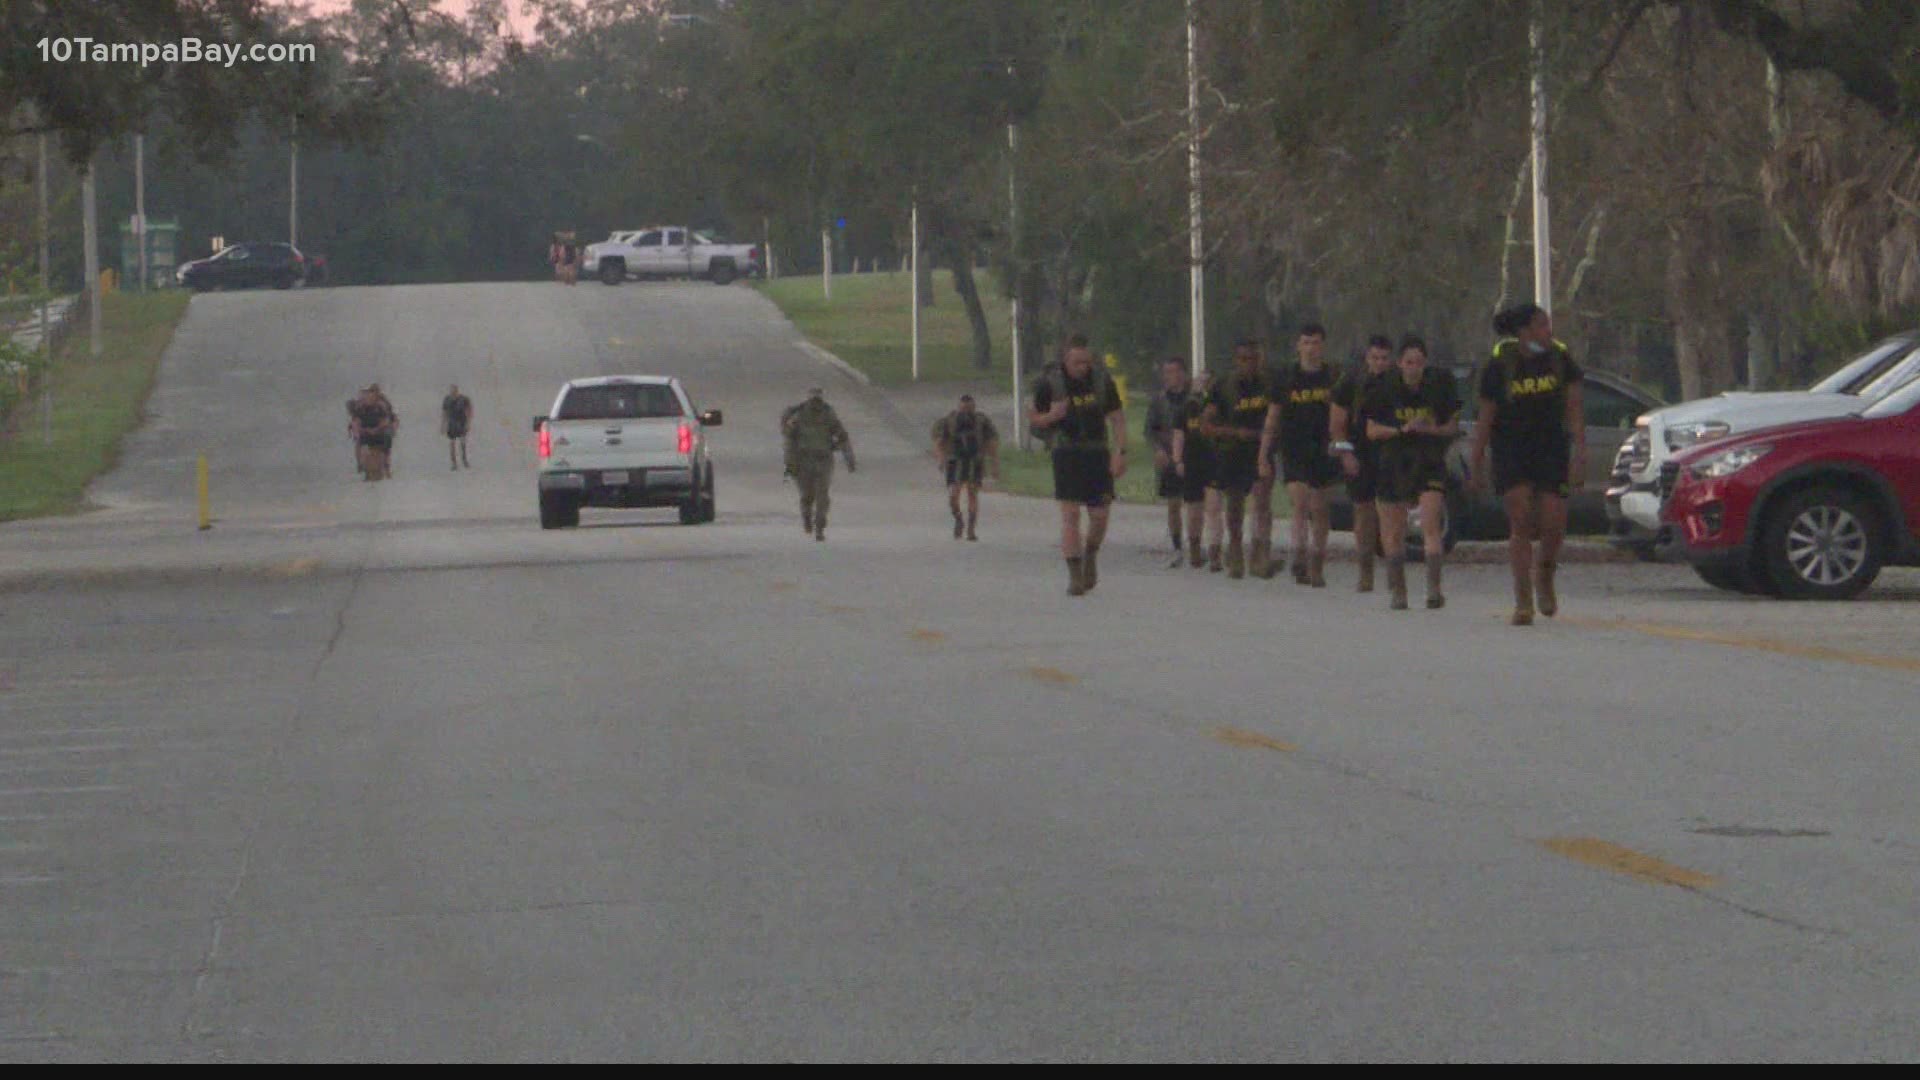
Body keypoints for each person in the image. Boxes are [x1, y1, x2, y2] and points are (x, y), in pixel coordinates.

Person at [1470, 302, 1587, 626]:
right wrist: (1477, 461)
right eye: (1540, 325)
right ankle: (1523, 599)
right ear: (1523, 332)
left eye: (1548, 324)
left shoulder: (1560, 360)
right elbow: (1485, 417)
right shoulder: (1499, 366)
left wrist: (1580, 451)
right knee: (1521, 519)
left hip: (1551, 448)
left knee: (1553, 523)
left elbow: (1575, 407)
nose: (1547, 331)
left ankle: (1545, 573)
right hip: (1512, 450)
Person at [1362, 336, 1461, 610]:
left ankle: (1433, 589)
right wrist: (1401, 430)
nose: (1413, 368)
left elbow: (1452, 426)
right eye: (1408, 362)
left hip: (1428, 460)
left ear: (1425, 363)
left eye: (1418, 363)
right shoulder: (1383, 389)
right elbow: (1371, 431)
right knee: (1393, 532)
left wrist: (1429, 429)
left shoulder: (1439, 386)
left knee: (1431, 524)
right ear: (1399, 363)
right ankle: (1399, 590)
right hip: (1394, 460)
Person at [1029, 334, 1126, 596]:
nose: (1083, 367)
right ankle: (1075, 575)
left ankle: (1091, 553)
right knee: (1070, 515)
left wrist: (1120, 452)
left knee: (1099, 516)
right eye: (1077, 363)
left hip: (1097, 452)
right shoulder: (1050, 383)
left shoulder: (1101, 381)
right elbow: (1034, 418)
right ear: (1065, 360)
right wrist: (1052, 415)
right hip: (1066, 452)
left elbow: (1117, 418)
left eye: (1087, 361)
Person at [1261, 323, 1339, 587]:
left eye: (1316, 343)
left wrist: (1343, 446)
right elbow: (1272, 417)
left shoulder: (1333, 377)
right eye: (1306, 343)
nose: (1311, 348)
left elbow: (1343, 417)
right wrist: (1264, 454)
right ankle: (1299, 556)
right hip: (1293, 447)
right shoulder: (1286, 378)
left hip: (1325, 449)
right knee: (1300, 503)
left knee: (1320, 508)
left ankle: (1317, 561)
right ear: (1298, 346)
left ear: (1323, 346)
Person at [1199, 339, 1275, 579]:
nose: (1249, 364)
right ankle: (1235, 549)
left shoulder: (1268, 384)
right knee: (1235, 504)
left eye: (1253, 359)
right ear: (1236, 360)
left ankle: (1260, 553)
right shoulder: (1223, 385)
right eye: (1243, 359)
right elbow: (1206, 425)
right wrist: (1235, 433)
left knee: (1262, 500)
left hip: (1262, 449)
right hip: (1232, 450)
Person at [1329, 335, 1396, 592]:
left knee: (1391, 513)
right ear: (1367, 358)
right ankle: (1365, 571)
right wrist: (1346, 454)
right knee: (1364, 512)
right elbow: (1337, 424)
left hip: (1389, 453)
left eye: (1384, 358)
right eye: (1375, 358)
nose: (1379, 363)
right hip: (1360, 453)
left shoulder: (1395, 383)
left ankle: (1393, 571)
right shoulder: (1351, 383)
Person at [782, 387, 856, 541]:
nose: (816, 405)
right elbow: (789, 440)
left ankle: (819, 526)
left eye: (818, 401)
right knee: (807, 495)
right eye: (813, 400)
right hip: (803, 461)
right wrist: (790, 463)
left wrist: (849, 459)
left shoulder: (828, 415)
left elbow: (842, 436)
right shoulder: (798, 417)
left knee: (822, 496)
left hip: (824, 460)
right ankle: (807, 518)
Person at [1145, 357, 1198, 566]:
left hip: (1192, 454)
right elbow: (1150, 430)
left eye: (1174, 372)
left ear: (1183, 374)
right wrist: (1158, 449)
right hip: (1168, 455)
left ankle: (1196, 542)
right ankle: (1177, 545)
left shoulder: (1193, 399)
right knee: (1173, 503)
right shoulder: (1159, 401)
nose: (1170, 377)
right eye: (1166, 373)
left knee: (1195, 502)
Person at [1170, 369, 1222, 570]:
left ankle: (1215, 552)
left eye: (1206, 382)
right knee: (1194, 510)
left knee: (1214, 507)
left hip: (1213, 461)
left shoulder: (1218, 408)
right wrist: (1177, 460)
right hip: (1192, 462)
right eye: (1199, 382)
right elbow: (1178, 435)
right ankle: (1194, 548)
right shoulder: (1185, 409)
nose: (1202, 386)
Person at [930, 394, 1001, 540]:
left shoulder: (982, 421)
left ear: (974, 407)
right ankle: (958, 519)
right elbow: (938, 441)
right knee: (953, 495)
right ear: (958, 407)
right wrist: (941, 459)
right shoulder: (949, 421)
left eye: (970, 408)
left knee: (972, 494)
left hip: (975, 461)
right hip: (955, 461)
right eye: (964, 408)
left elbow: (991, 442)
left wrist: (994, 463)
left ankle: (971, 529)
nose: (967, 412)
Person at [347, 386, 397, 483]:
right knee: (360, 444)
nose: (368, 399)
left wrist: (377, 429)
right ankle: (361, 465)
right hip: (365, 431)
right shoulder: (360, 408)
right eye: (366, 397)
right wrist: (361, 431)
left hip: (380, 431)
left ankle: (386, 466)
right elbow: (355, 423)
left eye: (371, 396)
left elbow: (387, 420)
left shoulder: (382, 406)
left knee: (386, 442)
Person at [441, 384, 474, 470]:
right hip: (452, 424)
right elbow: (444, 413)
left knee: (462, 442)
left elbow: (469, 410)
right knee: (452, 443)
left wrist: (468, 423)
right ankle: (454, 463)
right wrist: (443, 425)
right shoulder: (447, 400)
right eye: (452, 390)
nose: (453, 392)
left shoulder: (463, 399)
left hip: (461, 422)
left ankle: (464, 460)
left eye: (455, 390)